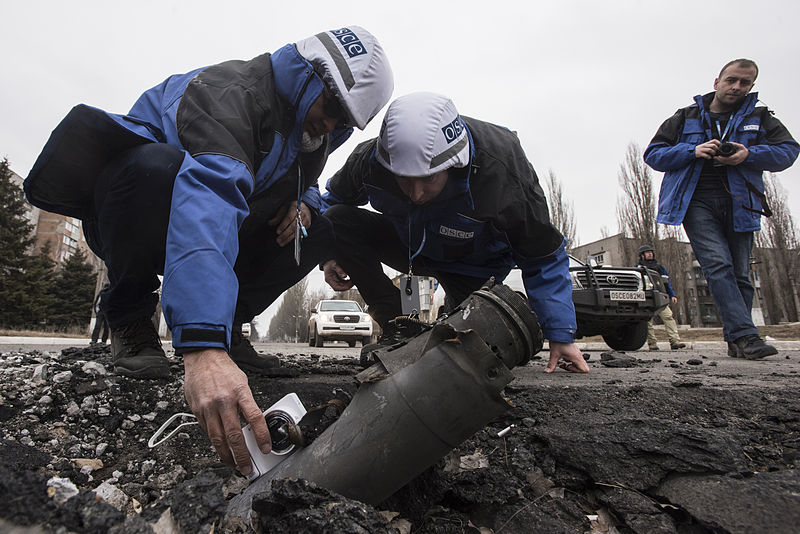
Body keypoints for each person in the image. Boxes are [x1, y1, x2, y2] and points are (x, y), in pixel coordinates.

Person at [24, 26, 393, 474]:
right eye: (332, 107)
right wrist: (202, 348)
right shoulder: (231, 95)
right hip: (140, 211)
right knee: (153, 167)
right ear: (309, 76)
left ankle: (230, 325)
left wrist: (305, 205)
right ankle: (128, 313)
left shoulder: (313, 131)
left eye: (346, 121)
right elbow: (210, 199)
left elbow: (304, 184)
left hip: (218, 223)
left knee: (319, 229)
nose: (332, 125)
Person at [321, 92, 589, 374]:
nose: (416, 194)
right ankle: (396, 327)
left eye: (427, 179)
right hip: (411, 246)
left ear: (454, 162)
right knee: (337, 220)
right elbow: (331, 201)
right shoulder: (371, 161)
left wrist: (560, 333)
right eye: (404, 180)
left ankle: (454, 316)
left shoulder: (501, 169)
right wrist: (329, 255)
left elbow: (542, 254)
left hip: (474, 268)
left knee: (478, 355)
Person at [644, 58, 798, 359]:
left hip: (742, 202)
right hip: (696, 201)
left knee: (741, 273)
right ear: (717, 81)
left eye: (745, 83)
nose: (736, 87)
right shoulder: (685, 117)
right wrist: (693, 150)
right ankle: (747, 336)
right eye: (731, 80)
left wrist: (748, 154)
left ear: (752, 86)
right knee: (718, 265)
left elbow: (788, 151)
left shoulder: (761, 117)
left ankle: (736, 340)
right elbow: (654, 154)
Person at [636, 244, 686, 350]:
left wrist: (672, 295)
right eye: (647, 252)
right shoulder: (638, 269)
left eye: (651, 252)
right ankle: (652, 344)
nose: (650, 254)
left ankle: (675, 341)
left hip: (659, 296)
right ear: (642, 255)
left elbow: (666, 283)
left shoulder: (659, 267)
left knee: (668, 317)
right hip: (645, 297)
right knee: (647, 322)